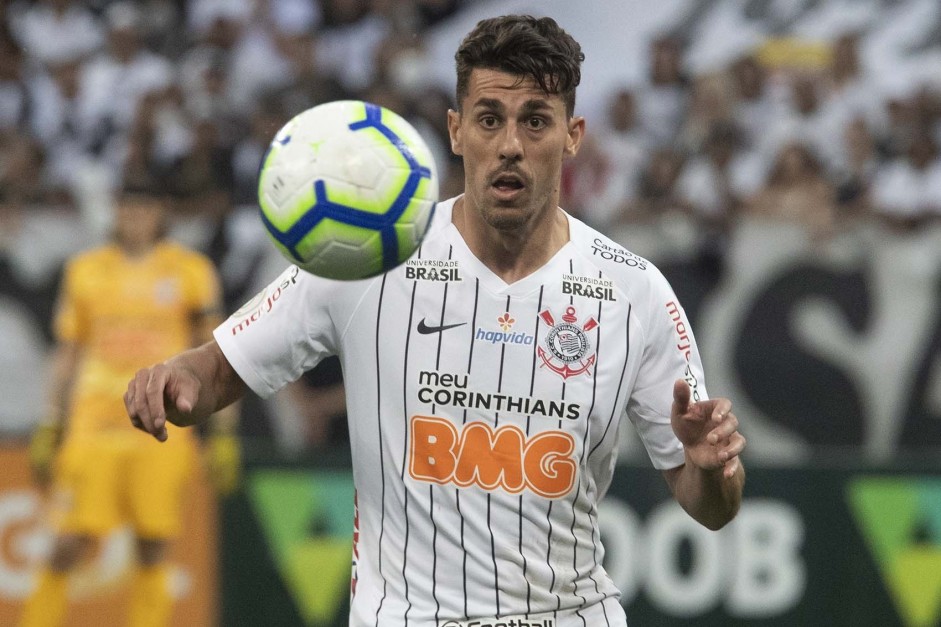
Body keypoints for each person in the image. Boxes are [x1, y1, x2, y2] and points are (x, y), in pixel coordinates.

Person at [125, 15, 746, 627]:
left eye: (535, 121)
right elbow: (214, 371)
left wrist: (713, 469)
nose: (510, 144)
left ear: (573, 134)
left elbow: (711, 506)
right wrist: (174, 383)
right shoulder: (367, 255)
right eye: (489, 119)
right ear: (455, 130)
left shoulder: (633, 292)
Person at [21, 187, 239, 627]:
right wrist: (49, 420)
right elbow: (67, 352)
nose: (135, 217)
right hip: (93, 427)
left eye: (144, 207)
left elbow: (217, 352)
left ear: (160, 212)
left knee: (154, 544)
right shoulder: (85, 271)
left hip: (161, 430)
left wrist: (223, 434)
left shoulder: (190, 271)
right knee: (71, 542)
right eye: (127, 207)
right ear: (115, 213)